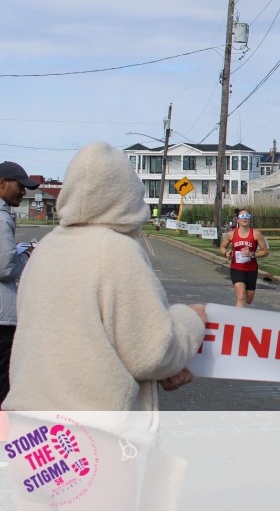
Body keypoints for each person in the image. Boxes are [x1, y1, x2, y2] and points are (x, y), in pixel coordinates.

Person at [3, 142, 206, 411]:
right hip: (90, 424)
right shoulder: (116, 250)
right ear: (128, 194)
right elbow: (152, 353)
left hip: (30, 422)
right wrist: (191, 320)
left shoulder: (46, 248)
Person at [0, 161, 39, 404]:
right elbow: (5, 268)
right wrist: (28, 255)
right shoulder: (2, 218)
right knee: (4, 388)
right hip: (3, 319)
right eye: (20, 186)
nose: (24, 192)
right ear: (2, 183)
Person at [220, 208, 269, 307]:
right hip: (236, 268)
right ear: (238, 220)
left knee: (249, 299)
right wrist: (226, 253)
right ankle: (239, 315)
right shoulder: (231, 234)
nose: (245, 218)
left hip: (251, 269)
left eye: (247, 216)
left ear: (249, 218)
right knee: (241, 296)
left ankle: (242, 305)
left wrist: (252, 254)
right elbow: (222, 247)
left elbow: (265, 252)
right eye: (242, 216)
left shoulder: (256, 234)